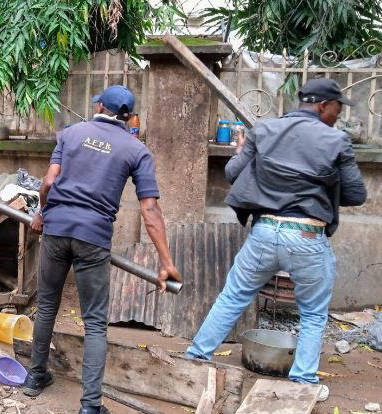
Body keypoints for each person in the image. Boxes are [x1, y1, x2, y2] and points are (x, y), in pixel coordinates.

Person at [185, 78, 367, 402]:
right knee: (312, 314)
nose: (339, 115)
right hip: (308, 235)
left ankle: (195, 360)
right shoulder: (336, 140)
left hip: (265, 231)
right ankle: (302, 382)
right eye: (338, 107)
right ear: (324, 105)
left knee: (232, 297)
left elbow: (232, 173)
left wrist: (243, 153)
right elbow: (355, 194)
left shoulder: (264, 130)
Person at [24, 85, 182, 414]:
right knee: (95, 322)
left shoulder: (71, 133)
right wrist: (166, 262)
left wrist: (42, 213)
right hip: (93, 236)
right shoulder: (137, 150)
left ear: (98, 105)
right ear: (129, 117)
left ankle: (35, 377)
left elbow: (49, 182)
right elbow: (150, 211)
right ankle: (90, 407)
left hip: (56, 228)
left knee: (48, 305)